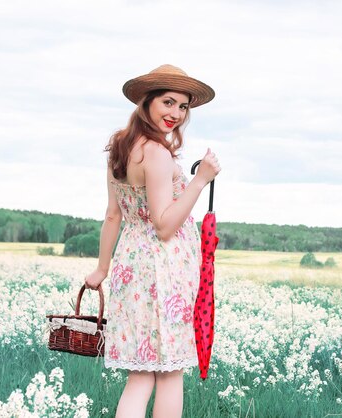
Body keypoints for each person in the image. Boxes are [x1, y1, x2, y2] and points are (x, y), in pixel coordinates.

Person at [84, 64, 220, 418]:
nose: (176, 113)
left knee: (141, 376)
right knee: (170, 375)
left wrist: (102, 269)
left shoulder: (121, 145)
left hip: (131, 268)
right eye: (168, 102)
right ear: (147, 102)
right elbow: (164, 225)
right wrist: (200, 180)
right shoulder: (157, 154)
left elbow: (113, 215)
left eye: (183, 107)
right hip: (164, 270)